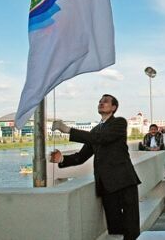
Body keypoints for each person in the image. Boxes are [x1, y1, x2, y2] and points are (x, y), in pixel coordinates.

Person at [51, 94, 141, 240]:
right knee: (115, 226)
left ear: (114, 107)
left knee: (131, 225)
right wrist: (61, 159)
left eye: (105, 101)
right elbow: (81, 157)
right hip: (106, 185)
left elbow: (102, 138)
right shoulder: (95, 131)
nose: (101, 103)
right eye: (99, 101)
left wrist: (68, 130)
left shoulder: (119, 123)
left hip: (124, 181)